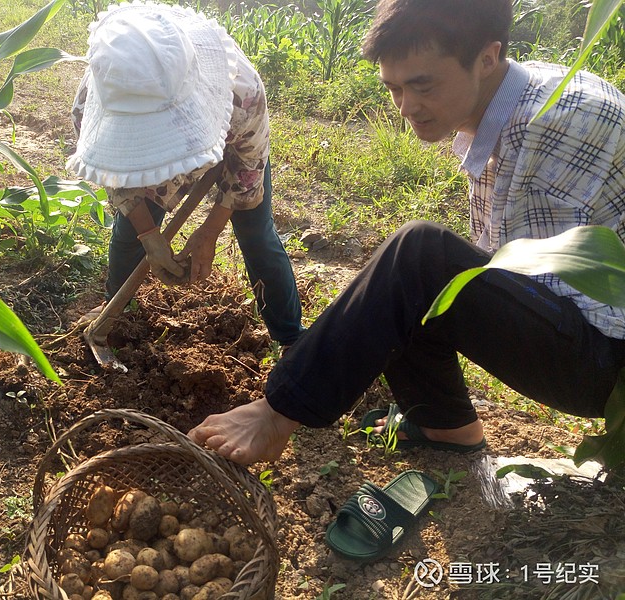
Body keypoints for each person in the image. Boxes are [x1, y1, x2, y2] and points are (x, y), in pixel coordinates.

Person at [189, 0, 625, 466]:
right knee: (410, 277)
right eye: (394, 88)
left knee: (419, 258)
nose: (406, 107)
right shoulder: (515, 95)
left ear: (487, 57)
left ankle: (279, 414)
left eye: (423, 85)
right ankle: (447, 427)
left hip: (609, 361)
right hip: (588, 337)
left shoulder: (553, 122)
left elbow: (525, 277)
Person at [67, 2, 305, 349]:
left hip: (228, 137)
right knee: (129, 233)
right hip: (160, 140)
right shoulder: (93, 102)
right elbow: (116, 179)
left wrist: (209, 232)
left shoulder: (242, 92)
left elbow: (247, 167)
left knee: (256, 234)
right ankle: (114, 313)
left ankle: (291, 338)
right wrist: (149, 235)